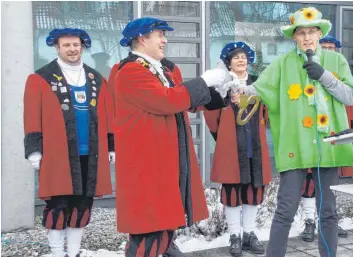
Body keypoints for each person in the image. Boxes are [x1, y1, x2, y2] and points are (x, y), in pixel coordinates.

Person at [219, 7, 353, 257]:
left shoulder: (337, 61)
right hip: (294, 144)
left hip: (328, 145)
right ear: (294, 36)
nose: (307, 38)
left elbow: (350, 95)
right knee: (285, 208)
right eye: (301, 33)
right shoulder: (283, 63)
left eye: (312, 32)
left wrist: (325, 76)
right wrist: (240, 90)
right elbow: (261, 88)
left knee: (328, 210)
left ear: (319, 34)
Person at [112, 17, 231, 257]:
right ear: (142, 38)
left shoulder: (161, 68)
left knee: (163, 224)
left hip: (166, 158)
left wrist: (218, 93)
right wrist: (204, 81)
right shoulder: (131, 71)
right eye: (159, 35)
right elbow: (167, 100)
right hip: (147, 161)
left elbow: (184, 100)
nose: (164, 40)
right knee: (149, 228)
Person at [23, 28, 114, 257]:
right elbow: (31, 115)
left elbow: (109, 114)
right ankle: (56, 253)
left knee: (82, 205)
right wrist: (34, 148)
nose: (72, 49)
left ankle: (72, 253)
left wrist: (111, 144)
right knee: (58, 205)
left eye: (76, 45)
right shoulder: (40, 78)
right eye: (67, 45)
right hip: (57, 154)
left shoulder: (96, 78)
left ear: (82, 46)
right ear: (57, 47)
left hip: (90, 153)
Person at [203, 41, 272, 256]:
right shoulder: (222, 86)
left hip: (255, 145)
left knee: (253, 188)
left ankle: (249, 234)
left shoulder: (258, 84)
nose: (241, 60)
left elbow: (267, 111)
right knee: (232, 190)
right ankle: (234, 235)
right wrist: (221, 136)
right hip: (232, 146)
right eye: (236, 57)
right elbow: (211, 114)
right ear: (228, 63)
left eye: (243, 56)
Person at [299, 34, 352, 242]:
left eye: (332, 48)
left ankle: (329, 220)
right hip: (312, 134)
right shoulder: (309, 72)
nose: (329, 50)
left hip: (334, 136)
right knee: (310, 182)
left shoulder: (341, 73)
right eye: (325, 47)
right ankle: (309, 221)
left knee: (330, 183)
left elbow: (349, 108)